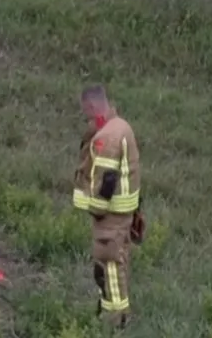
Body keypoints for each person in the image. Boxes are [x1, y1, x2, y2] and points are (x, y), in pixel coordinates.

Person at [73, 84, 143, 328]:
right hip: (124, 211)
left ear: (92, 106)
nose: (86, 116)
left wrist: (97, 208)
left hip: (111, 214)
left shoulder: (107, 137)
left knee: (108, 265)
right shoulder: (121, 126)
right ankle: (117, 312)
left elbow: (106, 179)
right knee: (119, 262)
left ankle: (114, 320)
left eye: (86, 111)